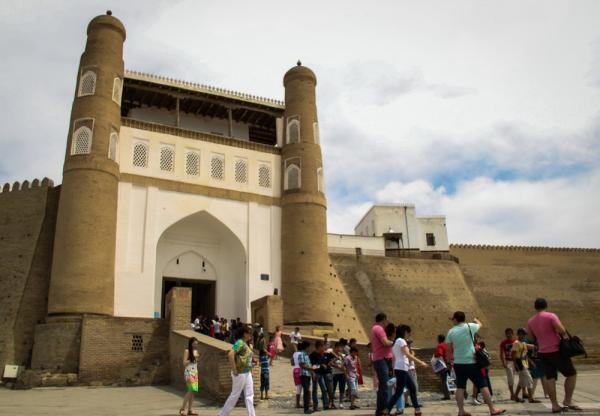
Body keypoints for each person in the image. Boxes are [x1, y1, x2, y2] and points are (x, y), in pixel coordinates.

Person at [447, 311, 505, 416]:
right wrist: (475, 319)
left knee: (460, 387)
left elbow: (449, 348)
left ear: (455, 319)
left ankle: (461, 411)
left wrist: (450, 360)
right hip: (471, 362)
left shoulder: (451, 332)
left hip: (458, 363)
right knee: (482, 385)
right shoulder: (471, 326)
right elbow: (480, 324)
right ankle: (492, 409)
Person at [527, 298, 580, 412]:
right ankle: (567, 400)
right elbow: (561, 330)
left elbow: (531, 338)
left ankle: (555, 405)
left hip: (543, 353)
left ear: (535, 307)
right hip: (556, 351)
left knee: (550, 378)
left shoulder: (531, 321)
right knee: (571, 374)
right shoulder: (551, 316)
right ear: (546, 305)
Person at [386, 325, 427, 416]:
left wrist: (394, 369)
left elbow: (394, 358)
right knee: (399, 391)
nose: (409, 335)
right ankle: (387, 410)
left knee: (412, 388)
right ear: (404, 332)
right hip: (402, 368)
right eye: (408, 332)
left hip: (401, 368)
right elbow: (408, 355)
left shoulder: (396, 342)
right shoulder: (401, 341)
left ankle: (417, 409)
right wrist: (421, 362)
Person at [218, 326, 255, 416]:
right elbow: (231, 354)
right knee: (235, 394)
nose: (251, 334)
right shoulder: (240, 342)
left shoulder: (246, 344)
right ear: (244, 334)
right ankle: (222, 414)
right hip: (240, 373)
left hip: (247, 372)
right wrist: (234, 370)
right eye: (249, 332)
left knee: (249, 395)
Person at [371, 312, 394, 416]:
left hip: (383, 359)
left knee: (384, 386)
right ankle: (382, 410)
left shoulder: (376, 328)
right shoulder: (378, 328)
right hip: (381, 360)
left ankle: (381, 410)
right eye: (386, 320)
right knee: (384, 386)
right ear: (383, 319)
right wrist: (395, 341)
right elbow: (385, 342)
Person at [512, 328, 540, 404]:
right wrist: (515, 365)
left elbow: (525, 355)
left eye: (524, 334)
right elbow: (513, 355)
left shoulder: (523, 343)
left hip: (524, 362)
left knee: (522, 381)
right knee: (529, 379)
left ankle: (515, 396)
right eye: (521, 334)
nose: (522, 336)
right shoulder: (516, 343)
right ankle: (531, 398)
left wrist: (531, 362)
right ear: (518, 334)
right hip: (519, 362)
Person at [310, 340, 332, 411]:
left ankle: (326, 405)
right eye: (322, 346)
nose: (324, 348)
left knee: (324, 389)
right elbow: (312, 366)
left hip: (321, 374)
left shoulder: (321, 354)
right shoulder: (312, 355)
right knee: (315, 390)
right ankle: (315, 406)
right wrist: (321, 365)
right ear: (319, 346)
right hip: (315, 374)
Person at [180, 337, 199, 416]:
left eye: (196, 344)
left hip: (195, 372)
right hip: (188, 372)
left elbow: (195, 362)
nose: (195, 345)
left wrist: (196, 359)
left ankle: (190, 410)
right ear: (191, 343)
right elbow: (184, 363)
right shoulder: (187, 351)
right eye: (194, 343)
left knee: (193, 391)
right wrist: (192, 358)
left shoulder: (196, 351)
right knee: (190, 390)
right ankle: (182, 409)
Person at [499, 328, 516, 400]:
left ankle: (523, 392)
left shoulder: (516, 342)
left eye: (510, 333)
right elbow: (501, 353)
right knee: (510, 378)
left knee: (522, 377)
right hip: (509, 361)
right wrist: (503, 362)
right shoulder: (503, 343)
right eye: (507, 333)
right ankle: (512, 394)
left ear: (512, 334)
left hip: (516, 361)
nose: (508, 335)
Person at [298, 341, 314, 414]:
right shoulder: (301, 354)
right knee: (306, 391)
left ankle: (307, 408)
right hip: (304, 375)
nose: (310, 348)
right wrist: (310, 369)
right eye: (309, 347)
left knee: (307, 392)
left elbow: (309, 365)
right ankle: (306, 409)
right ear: (306, 347)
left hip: (308, 375)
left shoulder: (307, 355)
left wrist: (312, 372)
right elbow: (302, 365)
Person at [434, 334, 452, 400]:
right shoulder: (447, 345)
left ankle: (447, 396)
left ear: (438, 339)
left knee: (444, 381)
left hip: (444, 365)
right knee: (454, 379)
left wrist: (435, 355)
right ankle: (464, 393)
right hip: (450, 363)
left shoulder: (440, 345)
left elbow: (439, 354)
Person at [330, 342, 347, 408]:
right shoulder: (332, 355)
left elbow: (345, 364)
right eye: (338, 347)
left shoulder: (343, 355)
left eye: (340, 347)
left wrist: (342, 358)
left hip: (342, 374)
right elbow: (330, 363)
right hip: (334, 374)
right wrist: (338, 367)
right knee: (333, 389)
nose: (339, 349)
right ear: (335, 348)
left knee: (342, 388)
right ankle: (331, 403)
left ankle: (341, 403)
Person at [292, 342, 303, 408]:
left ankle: (297, 403)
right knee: (306, 387)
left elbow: (292, 363)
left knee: (298, 388)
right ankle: (308, 402)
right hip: (301, 370)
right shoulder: (303, 354)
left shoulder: (294, 354)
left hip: (295, 370)